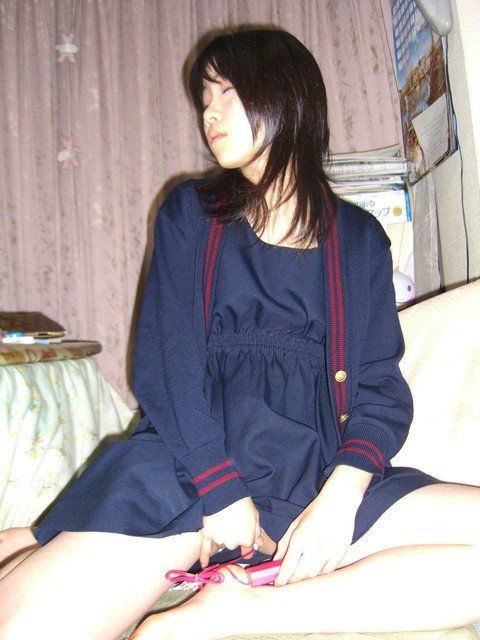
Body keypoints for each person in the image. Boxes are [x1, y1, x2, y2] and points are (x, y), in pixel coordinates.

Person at [1, 28, 479, 640]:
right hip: (190, 473)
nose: (209, 113)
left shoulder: (360, 242)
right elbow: (167, 368)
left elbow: (379, 391)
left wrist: (339, 498)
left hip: (316, 474)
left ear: (287, 95)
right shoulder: (191, 214)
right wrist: (221, 490)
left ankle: (243, 610)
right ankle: (43, 541)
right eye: (205, 99)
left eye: (227, 92)